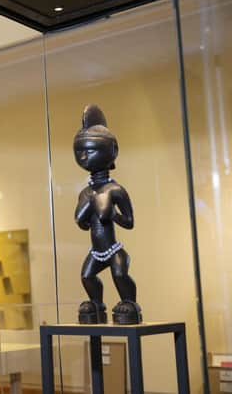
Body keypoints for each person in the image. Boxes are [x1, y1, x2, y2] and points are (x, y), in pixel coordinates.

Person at [73, 104, 142, 325]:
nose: (84, 156)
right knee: (87, 276)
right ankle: (96, 304)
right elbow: (82, 224)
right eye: (80, 151)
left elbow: (129, 222)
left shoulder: (115, 190)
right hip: (97, 250)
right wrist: (87, 208)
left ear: (110, 151)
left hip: (114, 250)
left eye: (90, 151)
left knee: (120, 275)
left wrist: (113, 214)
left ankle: (130, 303)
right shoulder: (86, 192)